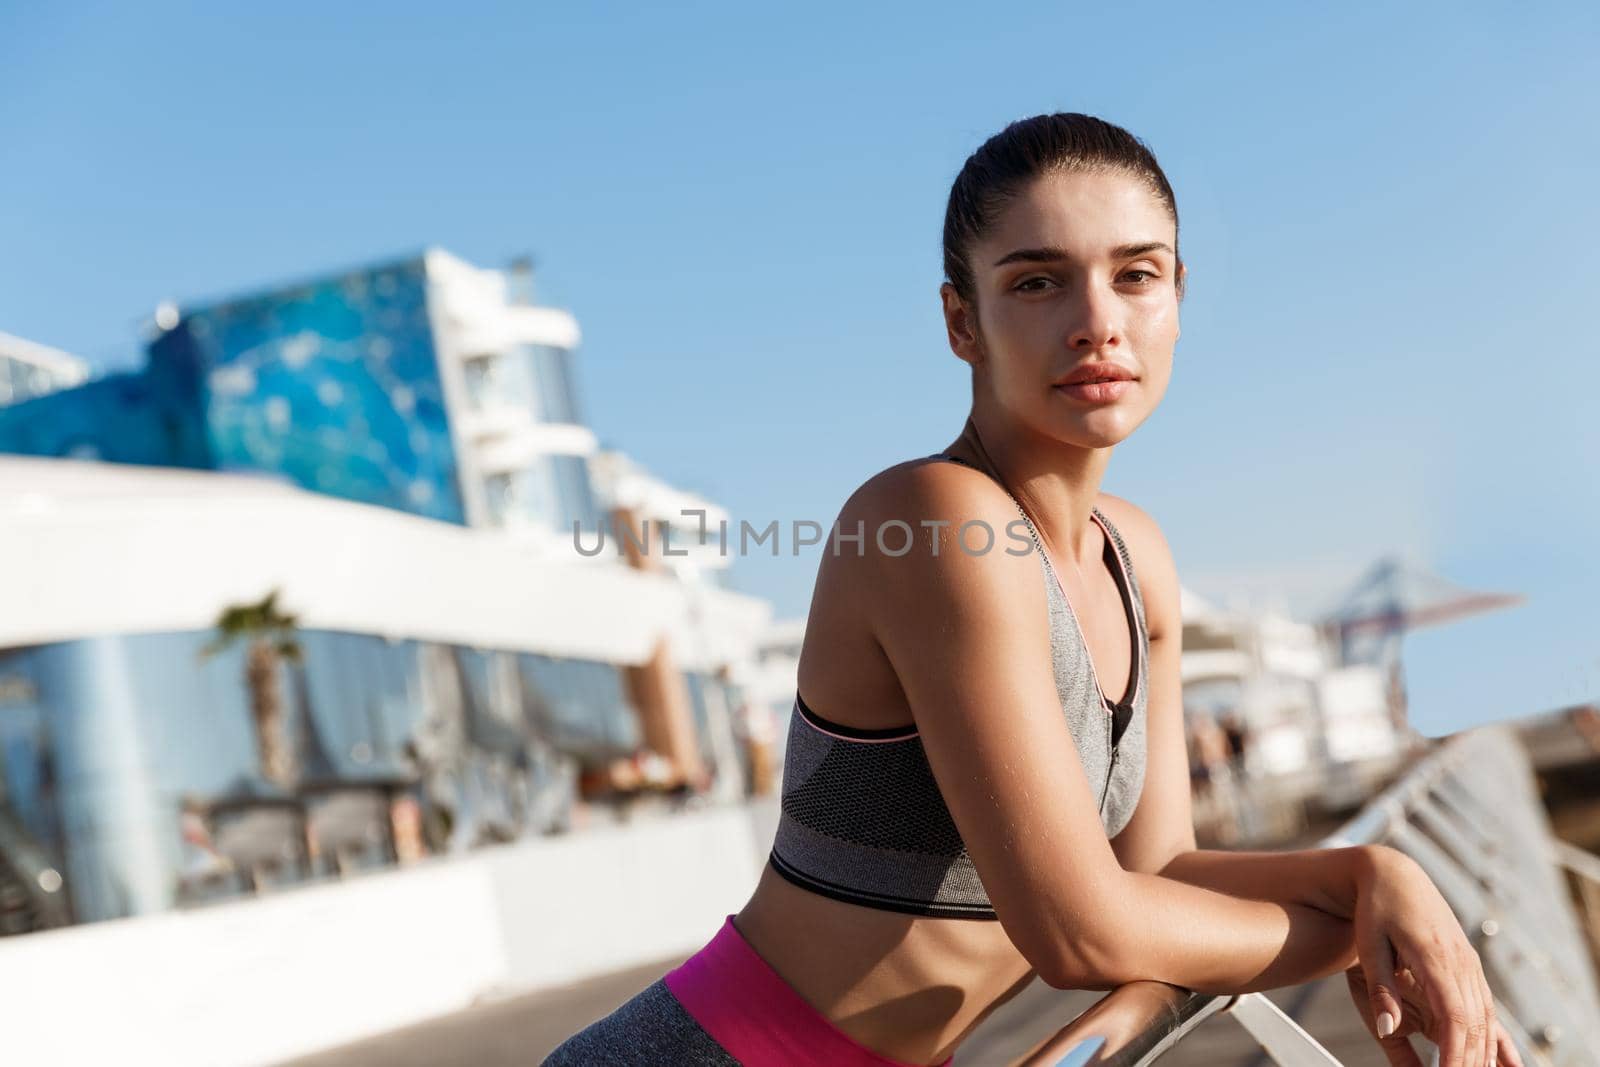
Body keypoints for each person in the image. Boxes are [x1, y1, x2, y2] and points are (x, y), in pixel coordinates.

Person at [544, 113, 1518, 1067]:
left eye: (1135, 275)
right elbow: (1079, 930)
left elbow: (1156, 872)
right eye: (1038, 282)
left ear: (1177, 296)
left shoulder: (1136, 555)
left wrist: (1374, 873)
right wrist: (1360, 931)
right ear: (961, 320)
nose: (1097, 322)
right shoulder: (934, 521)